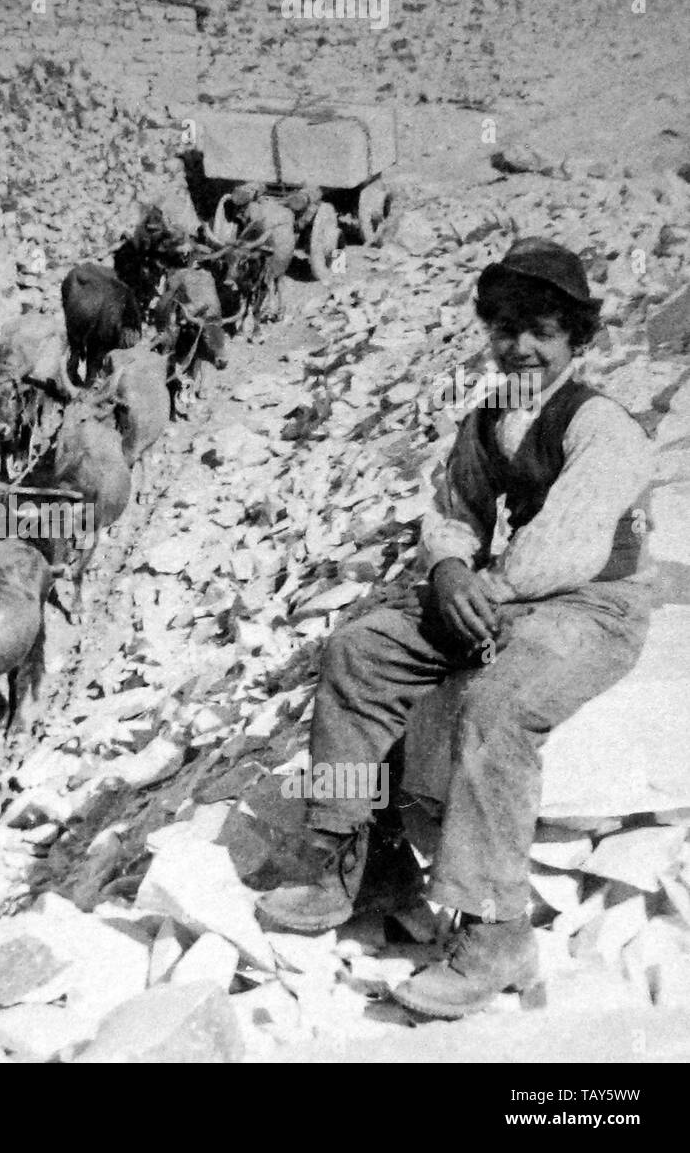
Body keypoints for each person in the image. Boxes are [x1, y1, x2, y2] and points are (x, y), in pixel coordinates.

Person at [258, 238, 655, 1019]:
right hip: (505, 589)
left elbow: (566, 546)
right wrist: (447, 571)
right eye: (506, 328)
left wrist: (486, 590)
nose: (521, 347)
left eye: (541, 329)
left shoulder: (603, 425)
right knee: (357, 650)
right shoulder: (493, 413)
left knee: (496, 706)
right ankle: (360, 861)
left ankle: (496, 932)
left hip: (592, 607)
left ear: (577, 337)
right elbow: (454, 509)